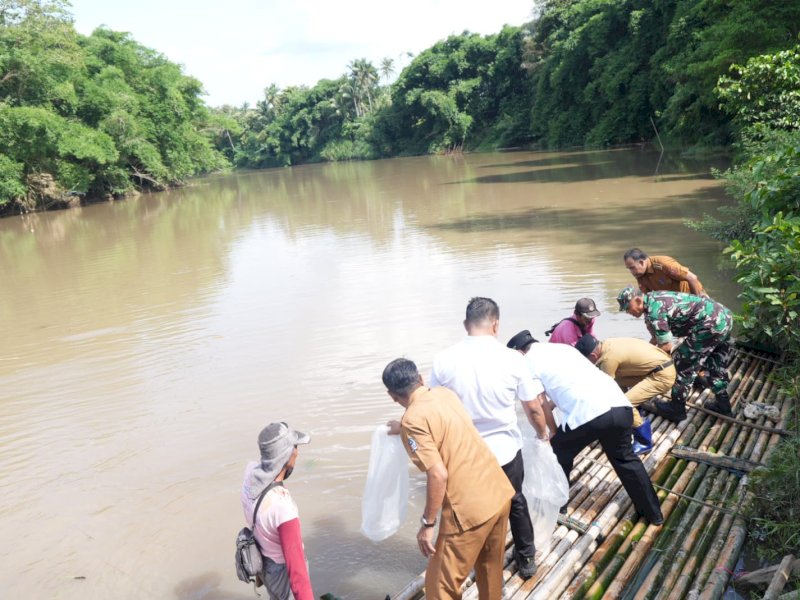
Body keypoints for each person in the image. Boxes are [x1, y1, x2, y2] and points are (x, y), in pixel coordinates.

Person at [429, 297, 549, 579]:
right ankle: (526, 558)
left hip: (463, 454)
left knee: (468, 507)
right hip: (505, 450)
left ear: (465, 325)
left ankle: (474, 562)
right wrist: (543, 433)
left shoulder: (444, 359)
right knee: (516, 502)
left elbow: (433, 406)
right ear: (496, 325)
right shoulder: (513, 359)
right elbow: (532, 407)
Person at [383, 358, 515, 600]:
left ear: (392, 395)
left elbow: (438, 473)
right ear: (420, 378)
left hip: (468, 511)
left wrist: (428, 524)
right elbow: (441, 423)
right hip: (497, 492)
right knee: (489, 571)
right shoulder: (445, 394)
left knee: (439, 589)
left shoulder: (412, 421)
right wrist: (403, 427)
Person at [521, 342, 664, 525]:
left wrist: (553, 432)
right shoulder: (563, 349)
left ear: (520, 351)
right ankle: (654, 514)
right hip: (620, 406)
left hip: (590, 414)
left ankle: (557, 507)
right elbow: (569, 385)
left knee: (558, 454)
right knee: (626, 459)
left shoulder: (527, 361)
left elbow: (539, 404)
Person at [617, 286, 733, 422]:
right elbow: (657, 337)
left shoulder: (654, 311)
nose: (627, 312)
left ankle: (677, 409)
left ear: (637, 300)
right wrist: (643, 355)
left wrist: (656, 368)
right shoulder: (653, 300)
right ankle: (724, 407)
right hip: (724, 317)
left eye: (627, 307)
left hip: (709, 325)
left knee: (682, 366)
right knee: (715, 365)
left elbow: (666, 346)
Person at [241, 422, 314, 600]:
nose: (297, 452)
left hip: (263, 563)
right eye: (295, 448)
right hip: (281, 572)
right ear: (288, 455)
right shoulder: (283, 507)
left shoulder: (249, 472)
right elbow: (297, 574)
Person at [575, 334, 676, 454]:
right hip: (658, 366)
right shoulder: (607, 343)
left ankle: (644, 442)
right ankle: (636, 410)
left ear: (593, 355)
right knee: (617, 380)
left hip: (662, 376)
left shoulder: (608, 360)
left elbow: (605, 389)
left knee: (624, 405)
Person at [623, 248, 707, 297]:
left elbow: (692, 278)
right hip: (676, 304)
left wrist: (698, 302)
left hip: (694, 296)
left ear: (641, 262)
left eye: (632, 268)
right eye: (629, 269)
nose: (631, 272)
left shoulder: (663, 264)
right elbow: (649, 297)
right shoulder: (640, 275)